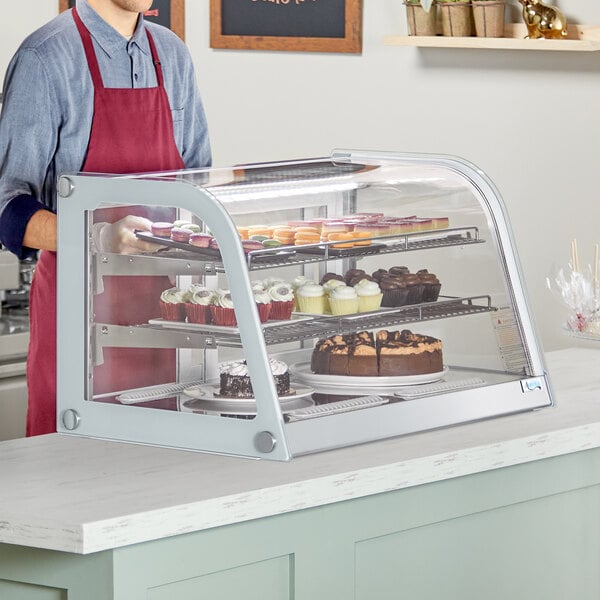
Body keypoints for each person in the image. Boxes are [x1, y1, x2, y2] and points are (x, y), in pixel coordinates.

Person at [0, 0, 211, 436]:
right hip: (80, 316)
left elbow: (199, 184)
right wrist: (98, 236)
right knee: (73, 479)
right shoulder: (45, 56)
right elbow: (7, 207)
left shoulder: (172, 53)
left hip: (169, 319)